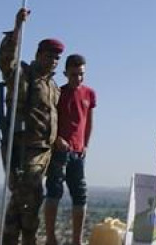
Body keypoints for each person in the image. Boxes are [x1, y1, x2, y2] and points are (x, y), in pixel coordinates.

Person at [0, 8, 63, 245]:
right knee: (29, 200)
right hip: (24, 149)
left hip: (44, 151)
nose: (53, 60)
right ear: (39, 54)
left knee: (24, 201)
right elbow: (6, 61)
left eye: (57, 58)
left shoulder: (53, 86)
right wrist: (17, 28)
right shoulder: (23, 74)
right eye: (49, 56)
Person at [44, 54, 98, 245]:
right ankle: (51, 238)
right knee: (54, 192)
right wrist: (57, 139)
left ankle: (77, 240)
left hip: (78, 152)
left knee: (80, 194)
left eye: (81, 74)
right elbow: (49, 121)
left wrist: (86, 145)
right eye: (74, 74)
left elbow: (88, 122)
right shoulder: (58, 93)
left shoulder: (89, 94)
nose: (78, 78)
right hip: (59, 151)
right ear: (66, 73)